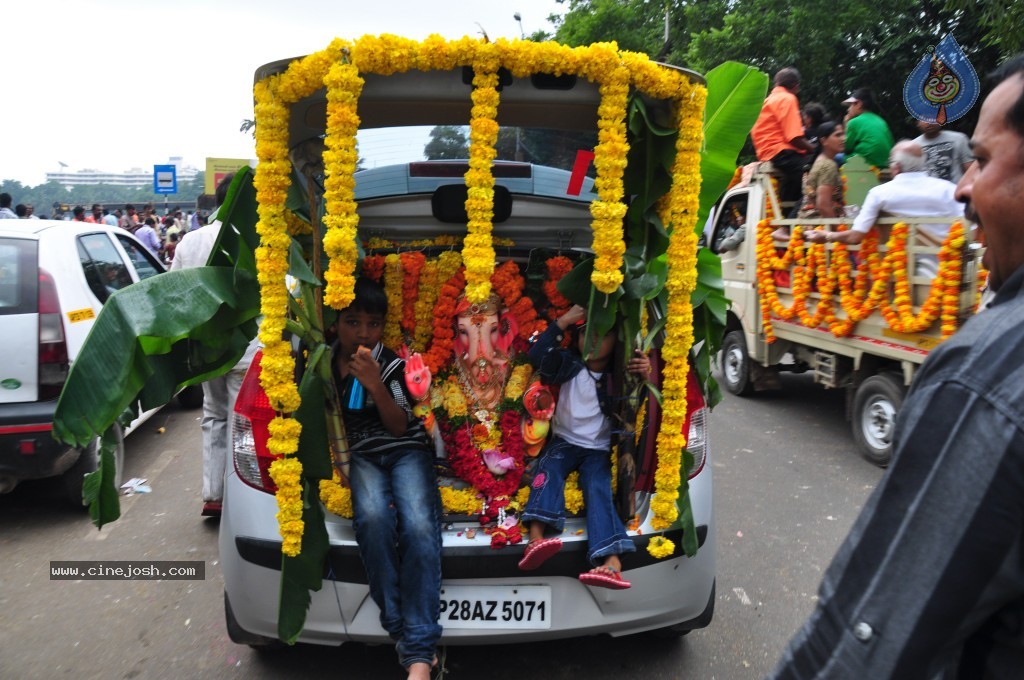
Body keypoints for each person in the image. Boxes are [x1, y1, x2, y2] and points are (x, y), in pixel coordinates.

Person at [767, 54, 1024, 679]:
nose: (965, 188)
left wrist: (820, 236)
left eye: (985, 164)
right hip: (946, 291)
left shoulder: (987, 376)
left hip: (895, 300)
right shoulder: (945, 196)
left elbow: (868, 635)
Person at [333, 276, 442, 680]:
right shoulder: (324, 364)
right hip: (360, 456)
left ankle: (416, 652)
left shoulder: (392, 364)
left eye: (373, 324)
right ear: (336, 323)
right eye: (352, 322)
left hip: (405, 450)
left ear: (383, 327)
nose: (363, 332)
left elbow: (399, 426)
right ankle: (405, 631)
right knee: (374, 521)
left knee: (416, 526)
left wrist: (375, 383)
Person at [518, 304, 650, 589]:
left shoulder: (621, 375)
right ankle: (536, 539)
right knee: (548, 470)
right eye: (583, 334)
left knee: (598, 487)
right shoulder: (567, 363)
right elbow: (537, 356)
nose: (590, 340)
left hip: (598, 451)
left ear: (617, 341)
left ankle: (612, 562)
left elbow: (645, 400)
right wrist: (564, 321)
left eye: (600, 335)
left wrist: (646, 372)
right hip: (563, 442)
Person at [171, 173, 256, 516]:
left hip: (206, 347)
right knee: (243, 420)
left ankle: (214, 494)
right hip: (247, 349)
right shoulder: (256, 240)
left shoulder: (190, 241)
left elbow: (175, 295)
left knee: (214, 414)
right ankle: (243, 496)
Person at [804, 140, 963, 277]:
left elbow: (855, 237)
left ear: (896, 167)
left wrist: (827, 235)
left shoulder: (880, 193)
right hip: (949, 272)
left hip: (898, 274)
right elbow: (971, 230)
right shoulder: (949, 189)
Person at [751, 68, 814, 207]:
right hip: (782, 152)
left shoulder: (767, 101)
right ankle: (792, 221)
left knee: (794, 180)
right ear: (795, 85)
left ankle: (786, 214)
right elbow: (794, 138)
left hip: (768, 153)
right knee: (817, 173)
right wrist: (815, 149)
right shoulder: (788, 98)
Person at [796, 120, 845, 218]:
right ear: (824, 141)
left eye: (843, 134)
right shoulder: (828, 165)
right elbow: (823, 205)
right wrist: (835, 231)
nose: (843, 138)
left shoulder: (821, 161)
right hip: (819, 227)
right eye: (838, 135)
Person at [842, 87, 895, 169]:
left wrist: (846, 124)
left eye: (850, 105)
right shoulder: (881, 121)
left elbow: (846, 148)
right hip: (885, 163)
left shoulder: (854, 122)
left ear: (859, 104)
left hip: (865, 162)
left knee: (836, 157)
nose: (848, 109)